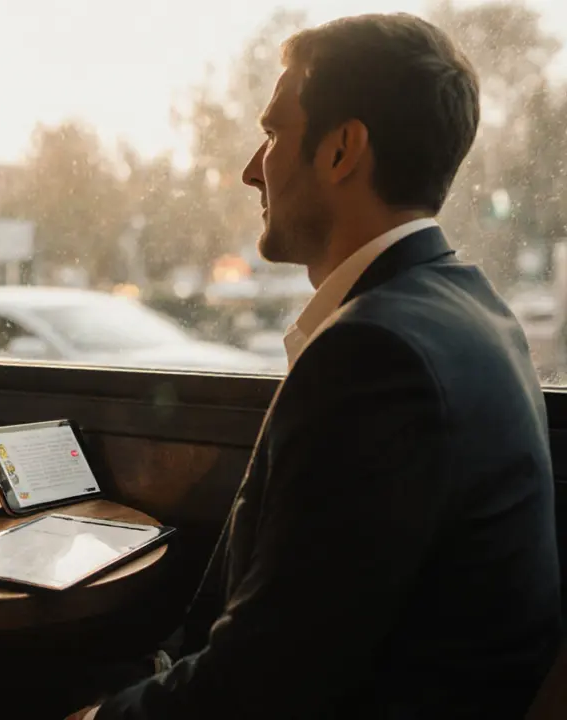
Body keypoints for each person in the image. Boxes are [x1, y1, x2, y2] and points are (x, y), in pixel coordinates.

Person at [71, 13, 561, 720]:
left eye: (272, 133)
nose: (249, 169)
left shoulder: (375, 356)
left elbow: (267, 681)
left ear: (341, 151)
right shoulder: (474, 311)